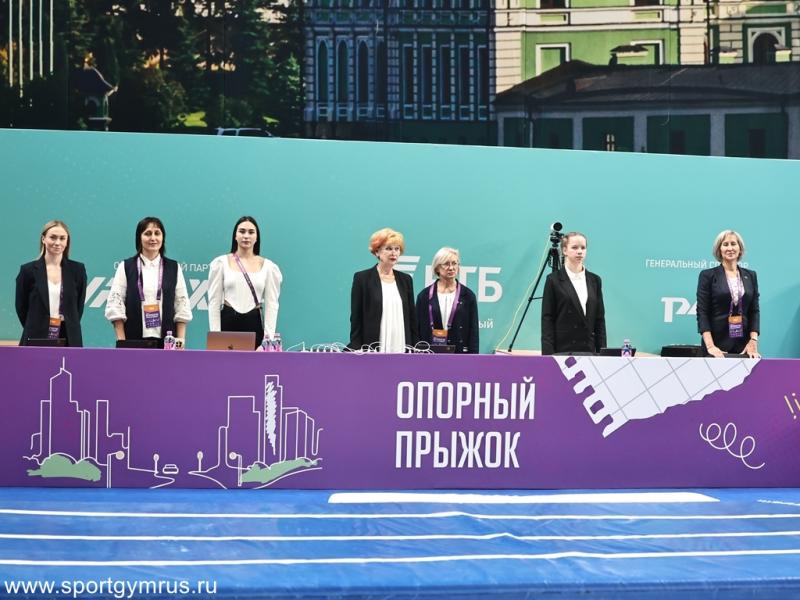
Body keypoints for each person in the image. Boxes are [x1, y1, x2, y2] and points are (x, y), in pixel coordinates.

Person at [105, 217, 192, 346]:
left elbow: (181, 305)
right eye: (147, 233)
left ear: (163, 237)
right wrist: (122, 342)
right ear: (139, 237)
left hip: (168, 341)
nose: (153, 238)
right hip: (132, 340)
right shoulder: (126, 266)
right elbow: (115, 305)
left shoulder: (173, 267)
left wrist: (180, 342)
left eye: (157, 233)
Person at [207, 216, 282, 349]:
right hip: (228, 322)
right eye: (242, 231)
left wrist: (267, 341)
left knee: (255, 363)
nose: (246, 236)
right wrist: (216, 337)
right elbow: (213, 302)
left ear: (256, 237)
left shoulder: (269, 267)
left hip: (254, 324)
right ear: (235, 236)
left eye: (251, 232)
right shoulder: (221, 263)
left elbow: (272, 305)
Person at [15, 220, 87, 346]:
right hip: (35, 335)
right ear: (43, 239)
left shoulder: (77, 270)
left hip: (69, 337)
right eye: (53, 237)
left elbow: (78, 307)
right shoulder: (28, 270)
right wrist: (36, 325)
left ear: (67, 241)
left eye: (62, 238)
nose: (57, 242)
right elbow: (21, 307)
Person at [349, 228, 417, 352]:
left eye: (397, 249)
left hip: (401, 342)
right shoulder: (362, 279)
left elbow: (412, 318)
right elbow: (356, 318)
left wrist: (415, 347)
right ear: (377, 252)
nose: (394, 253)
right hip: (373, 344)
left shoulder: (405, 279)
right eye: (389, 248)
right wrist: (356, 346)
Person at [696, 230, 760, 358]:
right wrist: (710, 346)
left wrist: (753, 341)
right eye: (725, 244)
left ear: (740, 248)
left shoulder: (751, 275)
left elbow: (754, 311)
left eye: (733, 244)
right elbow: (702, 312)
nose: (730, 248)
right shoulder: (707, 275)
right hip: (715, 348)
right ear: (719, 249)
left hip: (744, 348)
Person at [541, 231, 606, 355]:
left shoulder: (595, 280)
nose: (580, 251)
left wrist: (603, 353)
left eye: (583, 247)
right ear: (564, 250)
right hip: (562, 351)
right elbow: (547, 319)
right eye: (575, 247)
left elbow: (599, 320)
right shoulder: (553, 280)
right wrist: (548, 356)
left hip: (589, 351)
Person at [415, 247, 479, 353]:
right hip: (430, 354)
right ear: (437, 268)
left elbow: (474, 332)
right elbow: (417, 330)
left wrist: (473, 357)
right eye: (446, 264)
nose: (451, 268)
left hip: (459, 354)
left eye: (454, 263)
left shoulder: (468, 296)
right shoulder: (424, 296)